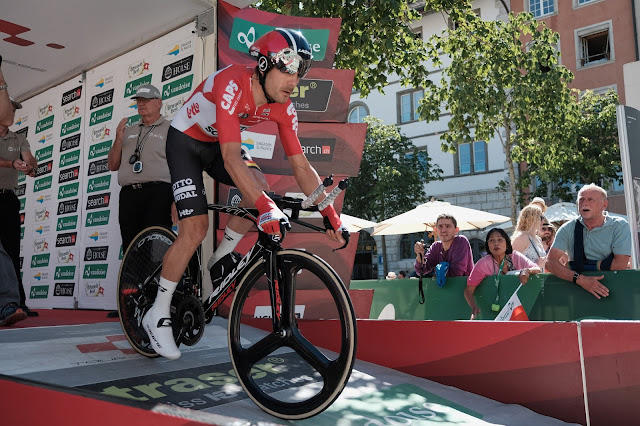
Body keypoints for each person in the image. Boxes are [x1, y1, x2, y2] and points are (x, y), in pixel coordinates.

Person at [143, 29, 347, 360]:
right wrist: (266, 209)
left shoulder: (283, 107)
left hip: (217, 145)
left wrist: (330, 215)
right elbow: (230, 158)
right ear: (264, 66)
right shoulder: (231, 84)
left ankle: (221, 256)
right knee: (195, 229)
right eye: (287, 69)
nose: (293, 81)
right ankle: (158, 310)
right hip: (185, 141)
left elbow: (300, 166)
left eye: (300, 72)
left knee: (260, 188)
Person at [107, 84, 175, 318]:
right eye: (138, 100)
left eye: (146, 99)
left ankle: (157, 302)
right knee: (130, 247)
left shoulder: (170, 129)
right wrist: (117, 139)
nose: (141, 104)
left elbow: (179, 166)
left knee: (155, 247)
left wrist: (176, 200)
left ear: (159, 102)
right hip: (129, 195)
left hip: (158, 192)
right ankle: (130, 303)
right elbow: (112, 165)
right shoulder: (128, 130)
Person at [546, 184, 631, 299]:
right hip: (577, 292)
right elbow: (550, 263)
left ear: (604, 205)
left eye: (590, 199)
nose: (585, 203)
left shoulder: (619, 225)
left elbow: (620, 264)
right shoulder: (568, 228)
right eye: (581, 199)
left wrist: (576, 266)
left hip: (613, 291)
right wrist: (580, 279)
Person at [0, 95, 39, 318]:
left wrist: (29, 166)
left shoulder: (19, 138)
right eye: (9, 110)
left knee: (12, 251)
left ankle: (17, 303)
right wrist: (11, 163)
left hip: (7, 200)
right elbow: (11, 163)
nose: (12, 114)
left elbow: (29, 159)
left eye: (14, 111)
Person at [465, 228, 540, 320]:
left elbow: (537, 269)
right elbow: (468, 291)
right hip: (493, 313)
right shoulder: (483, 264)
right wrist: (474, 307)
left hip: (520, 307)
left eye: (500, 240)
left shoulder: (515, 256)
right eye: (492, 240)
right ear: (488, 245)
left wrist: (527, 271)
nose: (496, 243)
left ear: (507, 243)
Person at [413, 214, 474, 279]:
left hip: (465, 287)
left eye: (448, 226)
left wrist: (437, 276)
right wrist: (420, 254)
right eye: (440, 226)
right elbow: (421, 271)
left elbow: (456, 272)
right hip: (445, 288)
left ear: (456, 230)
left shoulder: (461, 241)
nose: (443, 230)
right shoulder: (435, 246)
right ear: (436, 230)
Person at [511, 204, 546, 270]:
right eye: (541, 218)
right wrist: (537, 265)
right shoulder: (522, 237)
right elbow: (513, 265)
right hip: (527, 279)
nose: (543, 221)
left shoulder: (538, 239)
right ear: (531, 219)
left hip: (538, 278)